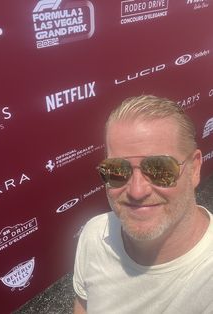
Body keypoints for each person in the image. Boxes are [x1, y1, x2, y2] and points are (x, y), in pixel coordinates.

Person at [73, 95, 213, 314]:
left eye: (160, 169)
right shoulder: (94, 235)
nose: (137, 191)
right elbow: (83, 305)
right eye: (117, 170)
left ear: (194, 170)